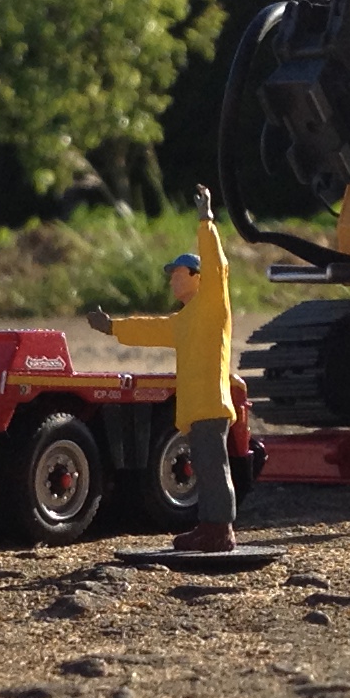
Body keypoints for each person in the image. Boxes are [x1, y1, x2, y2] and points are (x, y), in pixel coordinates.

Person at [88, 189, 242, 552]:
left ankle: (221, 530)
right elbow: (150, 328)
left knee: (214, 467)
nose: (172, 279)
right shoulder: (183, 320)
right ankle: (209, 526)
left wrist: (206, 221)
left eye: (178, 273)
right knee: (204, 467)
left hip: (211, 403)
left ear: (197, 276)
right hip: (197, 407)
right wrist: (113, 327)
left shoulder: (213, 303)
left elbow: (217, 265)